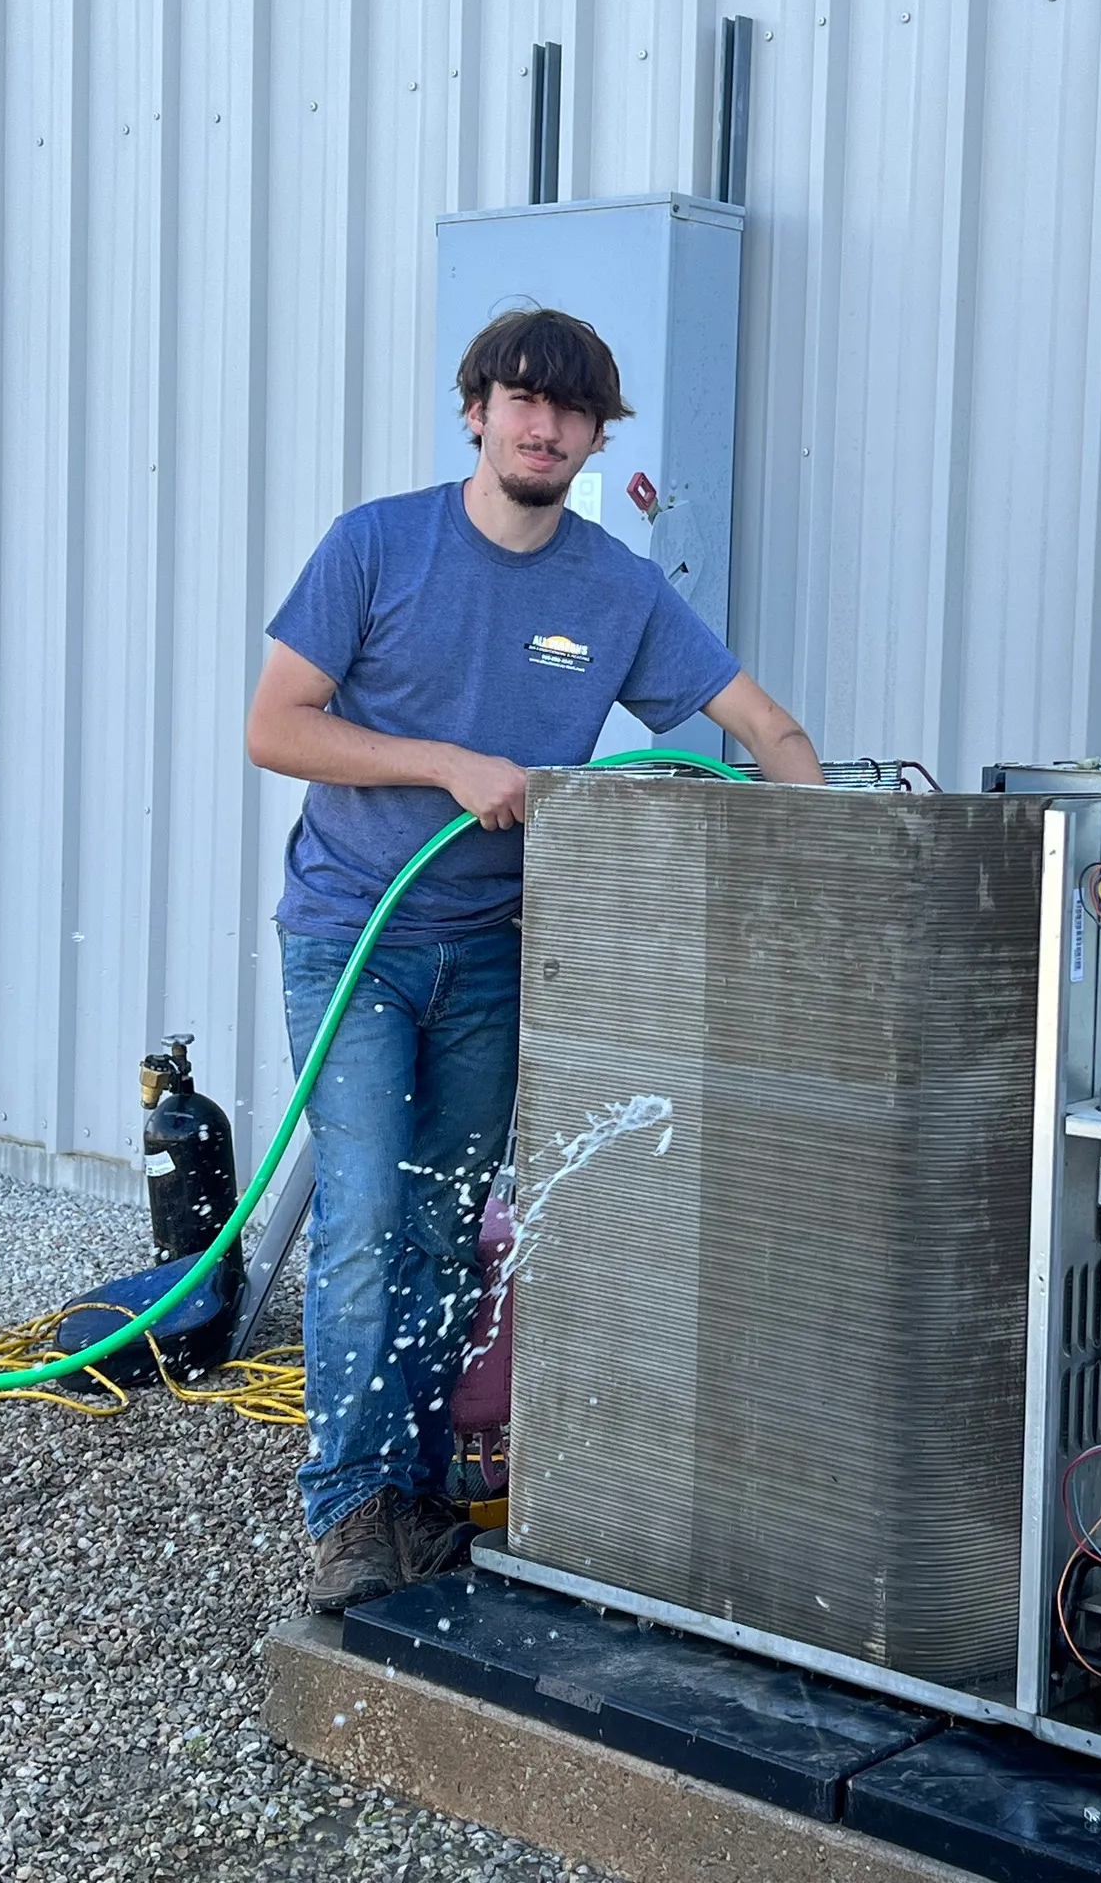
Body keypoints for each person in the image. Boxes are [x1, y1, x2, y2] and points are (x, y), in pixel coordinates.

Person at [247, 307, 823, 1612]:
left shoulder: (614, 590)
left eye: (572, 413)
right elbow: (276, 727)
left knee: (451, 1229)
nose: (544, 426)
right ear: (476, 409)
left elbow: (763, 727)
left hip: (496, 953)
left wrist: (826, 855)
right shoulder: (376, 546)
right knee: (368, 1221)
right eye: (523, 400)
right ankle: (351, 1509)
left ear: (596, 437)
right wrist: (445, 763)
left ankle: (425, 1493)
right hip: (355, 935)